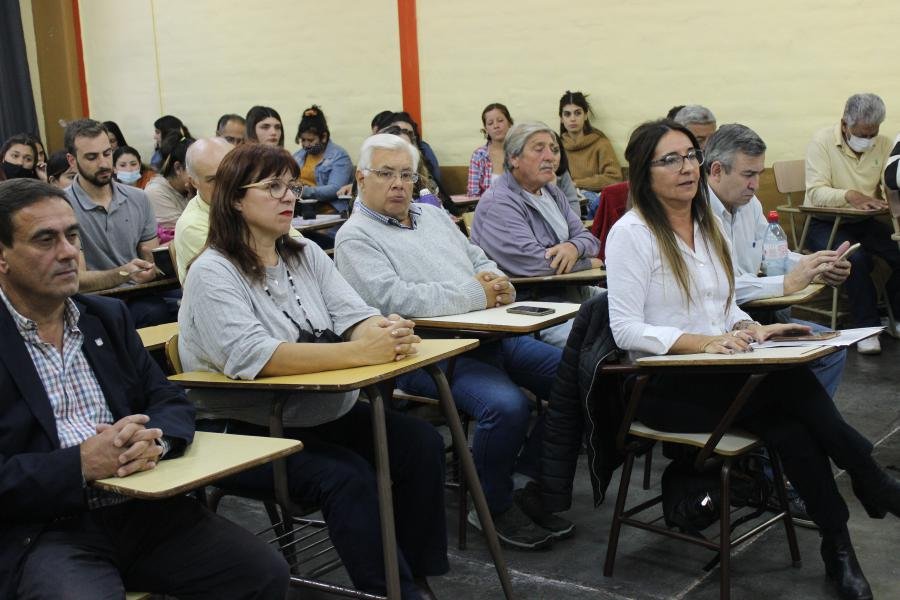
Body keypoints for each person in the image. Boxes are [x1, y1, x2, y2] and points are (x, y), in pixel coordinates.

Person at [605, 118, 900, 600]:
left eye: (690, 156)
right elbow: (626, 330)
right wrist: (702, 343)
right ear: (644, 171)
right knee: (788, 388)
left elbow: (723, 304)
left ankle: (839, 544)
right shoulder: (632, 234)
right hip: (659, 385)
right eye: (670, 159)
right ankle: (869, 480)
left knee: (792, 425)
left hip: (717, 375)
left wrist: (752, 326)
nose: (687, 168)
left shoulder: (705, 224)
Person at [178, 142, 448, 600]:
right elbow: (259, 357)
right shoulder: (213, 271)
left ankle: (415, 580)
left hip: (310, 409)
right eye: (273, 187)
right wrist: (363, 353)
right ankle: (390, 590)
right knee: (345, 476)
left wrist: (384, 330)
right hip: (241, 428)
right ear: (236, 200)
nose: (289, 197)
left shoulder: (301, 251)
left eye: (292, 186)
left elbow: (353, 312)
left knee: (419, 443)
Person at [0, 178, 289, 599]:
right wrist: (79, 464)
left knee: (261, 572)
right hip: (48, 529)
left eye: (72, 236)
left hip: (143, 508)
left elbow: (168, 400)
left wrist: (155, 440)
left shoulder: (105, 317)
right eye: (45, 240)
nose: (67, 253)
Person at [335, 133, 571, 550]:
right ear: (361, 176)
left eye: (407, 174)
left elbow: (478, 258)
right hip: (426, 349)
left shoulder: (431, 215)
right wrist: (477, 293)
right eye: (386, 174)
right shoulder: (355, 237)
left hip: (491, 332)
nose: (399, 184)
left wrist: (498, 282)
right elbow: (395, 299)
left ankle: (522, 481)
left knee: (574, 380)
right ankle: (490, 505)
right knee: (506, 405)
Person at [705, 123, 850, 398]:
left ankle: (799, 426)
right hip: (719, 322)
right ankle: (793, 425)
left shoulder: (750, 203)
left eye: (758, 174)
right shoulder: (696, 213)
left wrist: (816, 267)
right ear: (716, 171)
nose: (755, 185)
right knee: (806, 355)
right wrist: (786, 283)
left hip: (754, 313)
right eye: (748, 174)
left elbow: (774, 254)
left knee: (831, 348)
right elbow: (724, 286)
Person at [471, 122, 602, 348]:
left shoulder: (552, 192)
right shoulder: (500, 202)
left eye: (553, 148)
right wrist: (589, 262)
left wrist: (573, 248)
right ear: (513, 158)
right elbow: (536, 264)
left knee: (635, 312)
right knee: (602, 339)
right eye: (539, 148)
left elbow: (589, 239)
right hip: (529, 305)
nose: (550, 156)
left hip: (569, 292)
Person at [805, 92, 900, 354]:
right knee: (853, 260)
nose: (868, 140)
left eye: (873, 134)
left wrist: (889, 202)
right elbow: (815, 192)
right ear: (845, 124)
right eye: (862, 134)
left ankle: (896, 313)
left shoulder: (884, 144)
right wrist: (852, 196)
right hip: (825, 223)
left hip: (865, 223)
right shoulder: (822, 141)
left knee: (898, 250)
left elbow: (888, 186)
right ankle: (866, 329)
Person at [63, 119, 174, 326]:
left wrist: (151, 271)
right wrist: (123, 274)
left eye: (107, 153)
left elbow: (150, 259)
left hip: (139, 296)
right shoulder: (62, 207)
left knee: (168, 308)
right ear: (71, 161)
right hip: (93, 302)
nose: (104, 163)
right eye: (91, 157)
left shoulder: (139, 198)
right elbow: (77, 280)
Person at [173, 136, 234, 282]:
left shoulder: (250, 202)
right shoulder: (192, 226)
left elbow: (293, 246)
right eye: (213, 180)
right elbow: (236, 278)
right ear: (194, 182)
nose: (225, 185)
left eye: (230, 174)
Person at [558, 91, 624, 217]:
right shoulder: (556, 147)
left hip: (596, 204)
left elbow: (614, 178)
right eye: (567, 114)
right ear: (561, 119)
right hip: (567, 203)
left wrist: (577, 183)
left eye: (578, 113)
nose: (573, 118)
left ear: (586, 115)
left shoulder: (600, 143)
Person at [292, 105, 353, 212]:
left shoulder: (339, 156)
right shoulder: (298, 156)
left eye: (310, 140)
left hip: (330, 213)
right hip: (302, 212)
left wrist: (302, 191)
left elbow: (335, 189)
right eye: (303, 140)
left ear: (324, 137)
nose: (306, 144)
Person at [145, 133, 196, 241]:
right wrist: (194, 200)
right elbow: (190, 233)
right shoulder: (155, 192)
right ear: (178, 168)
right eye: (196, 169)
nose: (202, 175)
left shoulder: (192, 189)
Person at [467, 102, 514, 197]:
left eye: (500, 120)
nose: (496, 126)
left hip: (518, 208)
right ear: (486, 129)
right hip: (487, 209)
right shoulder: (479, 155)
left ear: (509, 123)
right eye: (490, 123)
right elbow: (473, 194)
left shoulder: (520, 151)